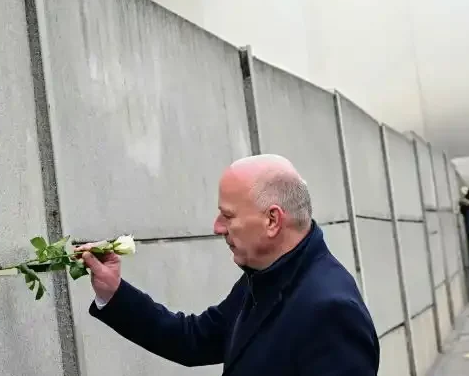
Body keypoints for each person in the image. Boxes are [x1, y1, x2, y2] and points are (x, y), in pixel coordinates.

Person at [78, 154, 380, 375]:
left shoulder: (331, 311)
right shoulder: (266, 274)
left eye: (228, 215)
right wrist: (113, 292)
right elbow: (193, 340)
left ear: (272, 220)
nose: (217, 226)